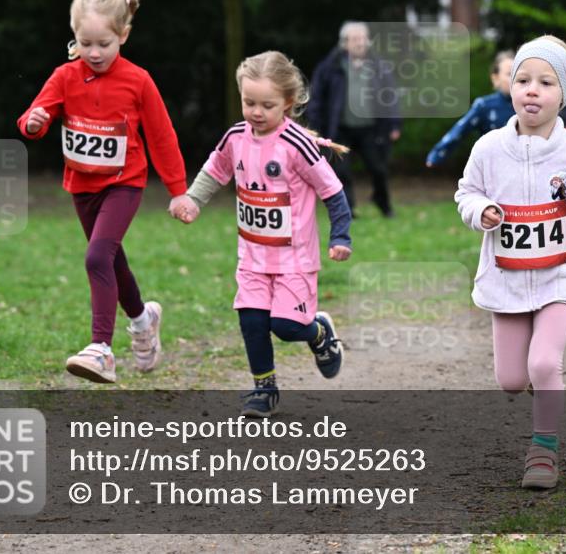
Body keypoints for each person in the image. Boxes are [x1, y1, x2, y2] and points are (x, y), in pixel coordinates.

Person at [455, 35, 566, 489]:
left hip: (559, 277)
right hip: (506, 280)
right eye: (523, 79)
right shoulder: (488, 148)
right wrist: (478, 210)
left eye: (546, 82)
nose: (532, 89)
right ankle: (535, 387)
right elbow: (466, 191)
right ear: (510, 86)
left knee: (544, 364)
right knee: (510, 379)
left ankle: (543, 451)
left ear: (562, 95)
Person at [17, 0, 188, 383]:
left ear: (123, 36)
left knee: (97, 257)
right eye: (85, 43)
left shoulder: (138, 80)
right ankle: (144, 320)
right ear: (74, 37)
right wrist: (34, 123)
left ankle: (101, 349)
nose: (94, 53)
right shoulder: (64, 76)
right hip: (82, 185)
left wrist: (178, 189)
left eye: (104, 44)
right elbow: (31, 116)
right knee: (111, 259)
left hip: (124, 183)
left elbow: (162, 137)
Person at [171, 51, 353, 416]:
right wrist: (193, 199)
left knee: (286, 325)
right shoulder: (236, 137)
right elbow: (216, 170)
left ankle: (318, 333)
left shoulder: (296, 144)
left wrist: (340, 236)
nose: (255, 111)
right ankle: (264, 389)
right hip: (253, 257)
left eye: (266, 105)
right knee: (252, 320)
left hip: (295, 259)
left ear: (287, 103)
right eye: (248, 102)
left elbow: (332, 191)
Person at [306, 21, 400, 217]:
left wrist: (393, 123)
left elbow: (390, 97)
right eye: (355, 39)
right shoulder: (329, 67)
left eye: (363, 39)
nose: (360, 43)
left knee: (379, 169)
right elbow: (316, 100)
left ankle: (383, 202)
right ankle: (348, 208)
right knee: (341, 171)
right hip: (339, 129)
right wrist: (315, 128)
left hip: (371, 129)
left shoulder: (379, 67)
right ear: (345, 43)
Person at [426, 51, 514, 167]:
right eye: (509, 74)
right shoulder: (485, 105)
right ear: (495, 78)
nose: (514, 78)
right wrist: (437, 154)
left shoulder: (529, 104)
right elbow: (460, 130)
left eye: (518, 73)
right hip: (493, 168)